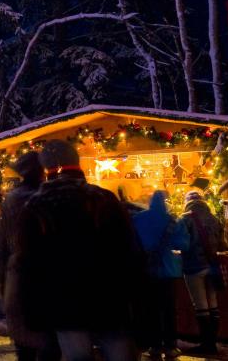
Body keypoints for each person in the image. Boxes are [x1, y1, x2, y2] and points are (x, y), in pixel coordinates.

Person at [16, 140, 141, 361]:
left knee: (77, 356)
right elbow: (129, 251)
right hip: (109, 297)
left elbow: (29, 264)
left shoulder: (35, 207)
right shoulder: (103, 199)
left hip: (64, 301)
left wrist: (32, 311)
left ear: (45, 169)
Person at [0, 151, 60, 361]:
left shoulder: (11, 201)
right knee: (49, 342)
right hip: (49, 274)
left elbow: (1, 245)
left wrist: (3, 283)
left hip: (18, 274)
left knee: (24, 344)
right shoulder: (49, 197)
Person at [133, 190, 190, 360]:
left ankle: (154, 345)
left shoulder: (138, 219)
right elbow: (183, 244)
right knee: (168, 309)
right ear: (165, 201)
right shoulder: (173, 220)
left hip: (146, 271)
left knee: (150, 308)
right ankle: (170, 345)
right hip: (167, 270)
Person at [179, 189, 228, 355]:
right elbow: (223, 245)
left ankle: (206, 345)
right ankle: (212, 344)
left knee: (201, 306)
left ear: (187, 202)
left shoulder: (185, 219)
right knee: (213, 305)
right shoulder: (214, 219)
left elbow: (181, 244)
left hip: (194, 267)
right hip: (212, 265)